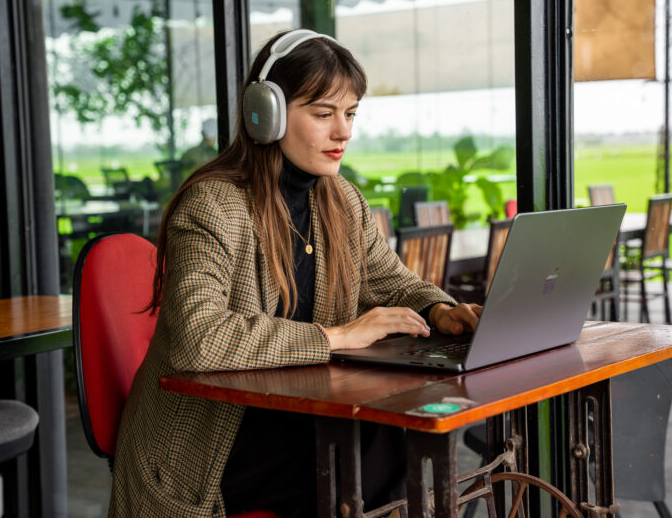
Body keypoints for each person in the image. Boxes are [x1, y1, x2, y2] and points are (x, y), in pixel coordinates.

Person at [109, 29, 482, 517]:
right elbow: (198, 339)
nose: (343, 132)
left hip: (294, 415)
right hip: (214, 448)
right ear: (266, 114)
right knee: (382, 450)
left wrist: (440, 309)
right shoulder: (213, 205)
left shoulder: (342, 200)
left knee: (395, 437)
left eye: (350, 114)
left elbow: (391, 281)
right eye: (324, 114)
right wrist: (336, 336)